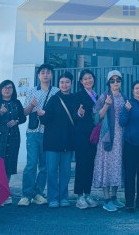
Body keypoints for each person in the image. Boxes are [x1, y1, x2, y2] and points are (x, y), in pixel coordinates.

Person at [18, 64, 59, 207]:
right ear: (38, 75)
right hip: (33, 132)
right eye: (43, 72)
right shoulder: (32, 91)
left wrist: (47, 113)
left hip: (49, 133)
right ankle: (26, 194)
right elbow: (24, 113)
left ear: (51, 75)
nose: (45, 75)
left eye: (48, 72)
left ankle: (38, 193)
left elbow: (58, 113)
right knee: (31, 164)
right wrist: (31, 105)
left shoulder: (56, 91)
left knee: (44, 166)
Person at [40, 72, 78, 208]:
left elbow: (77, 118)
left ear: (71, 84)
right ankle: (53, 198)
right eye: (62, 82)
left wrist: (80, 114)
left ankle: (64, 197)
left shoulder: (75, 99)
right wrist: (42, 115)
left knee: (65, 171)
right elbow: (45, 120)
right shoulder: (53, 99)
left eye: (67, 82)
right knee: (51, 171)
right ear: (59, 84)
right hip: (52, 141)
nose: (64, 85)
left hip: (68, 140)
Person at [0, 80, 27, 206]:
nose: (7, 90)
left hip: (14, 136)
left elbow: (23, 117)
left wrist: (16, 121)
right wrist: (0, 113)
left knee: (9, 165)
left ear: (13, 90)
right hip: (0, 136)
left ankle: (5, 192)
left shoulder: (17, 102)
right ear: (0, 89)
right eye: (4, 87)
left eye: (10, 87)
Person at [92, 70, 126, 212]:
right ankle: (106, 199)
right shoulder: (104, 96)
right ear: (108, 83)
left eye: (118, 80)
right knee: (106, 165)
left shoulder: (124, 97)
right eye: (112, 80)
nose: (115, 82)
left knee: (117, 165)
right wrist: (106, 104)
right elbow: (96, 117)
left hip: (120, 137)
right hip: (107, 136)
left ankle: (114, 197)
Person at [119, 80, 139, 212]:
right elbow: (122, 122)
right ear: (133, 90)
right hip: (130, 144)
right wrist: (126, 111)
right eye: (136, 88)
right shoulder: (128, 104)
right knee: (130, 174)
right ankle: (129, 203)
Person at [73, 69, 99, 210]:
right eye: (85, 79)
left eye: (90, 78)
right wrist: (79, 113)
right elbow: (74, 115)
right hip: (81, 135)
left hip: (93, 136)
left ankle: (87, 194)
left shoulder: (97, 95)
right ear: (81, 82)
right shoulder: (78, 95)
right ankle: (79, 196)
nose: (88, 80)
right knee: (81, 165)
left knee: (90, 164)